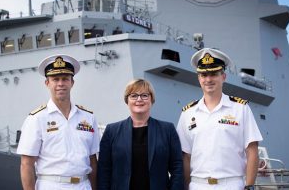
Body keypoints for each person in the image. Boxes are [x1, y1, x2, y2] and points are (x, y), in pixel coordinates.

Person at [176, 48, 263, 190]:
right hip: (197, 185)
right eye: (203, 75)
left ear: (223, 76)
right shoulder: (188, 113)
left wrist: (250, 186)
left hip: (232, 185)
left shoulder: (240, 108)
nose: (208, 79)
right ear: (199, 78)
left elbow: (252, 150)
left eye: (213, 74)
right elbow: (185, 156)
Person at [17, 54, 100, 190]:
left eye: (65, 79)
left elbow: (93, 161)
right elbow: (26, 164)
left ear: (72, 83)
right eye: (55, 79)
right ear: (47, 83)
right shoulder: (37, 118)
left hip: (83, 185)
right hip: (51, 185)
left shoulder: (88, 117)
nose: (60, 84)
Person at [98, 79, 184, 190]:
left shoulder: (167, 130)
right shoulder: (111, 131)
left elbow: (177, 168)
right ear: (127, 100)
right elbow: (104, 170)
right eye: (133, 95)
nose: (139, 99)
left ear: (151, 99)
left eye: (144, 95)